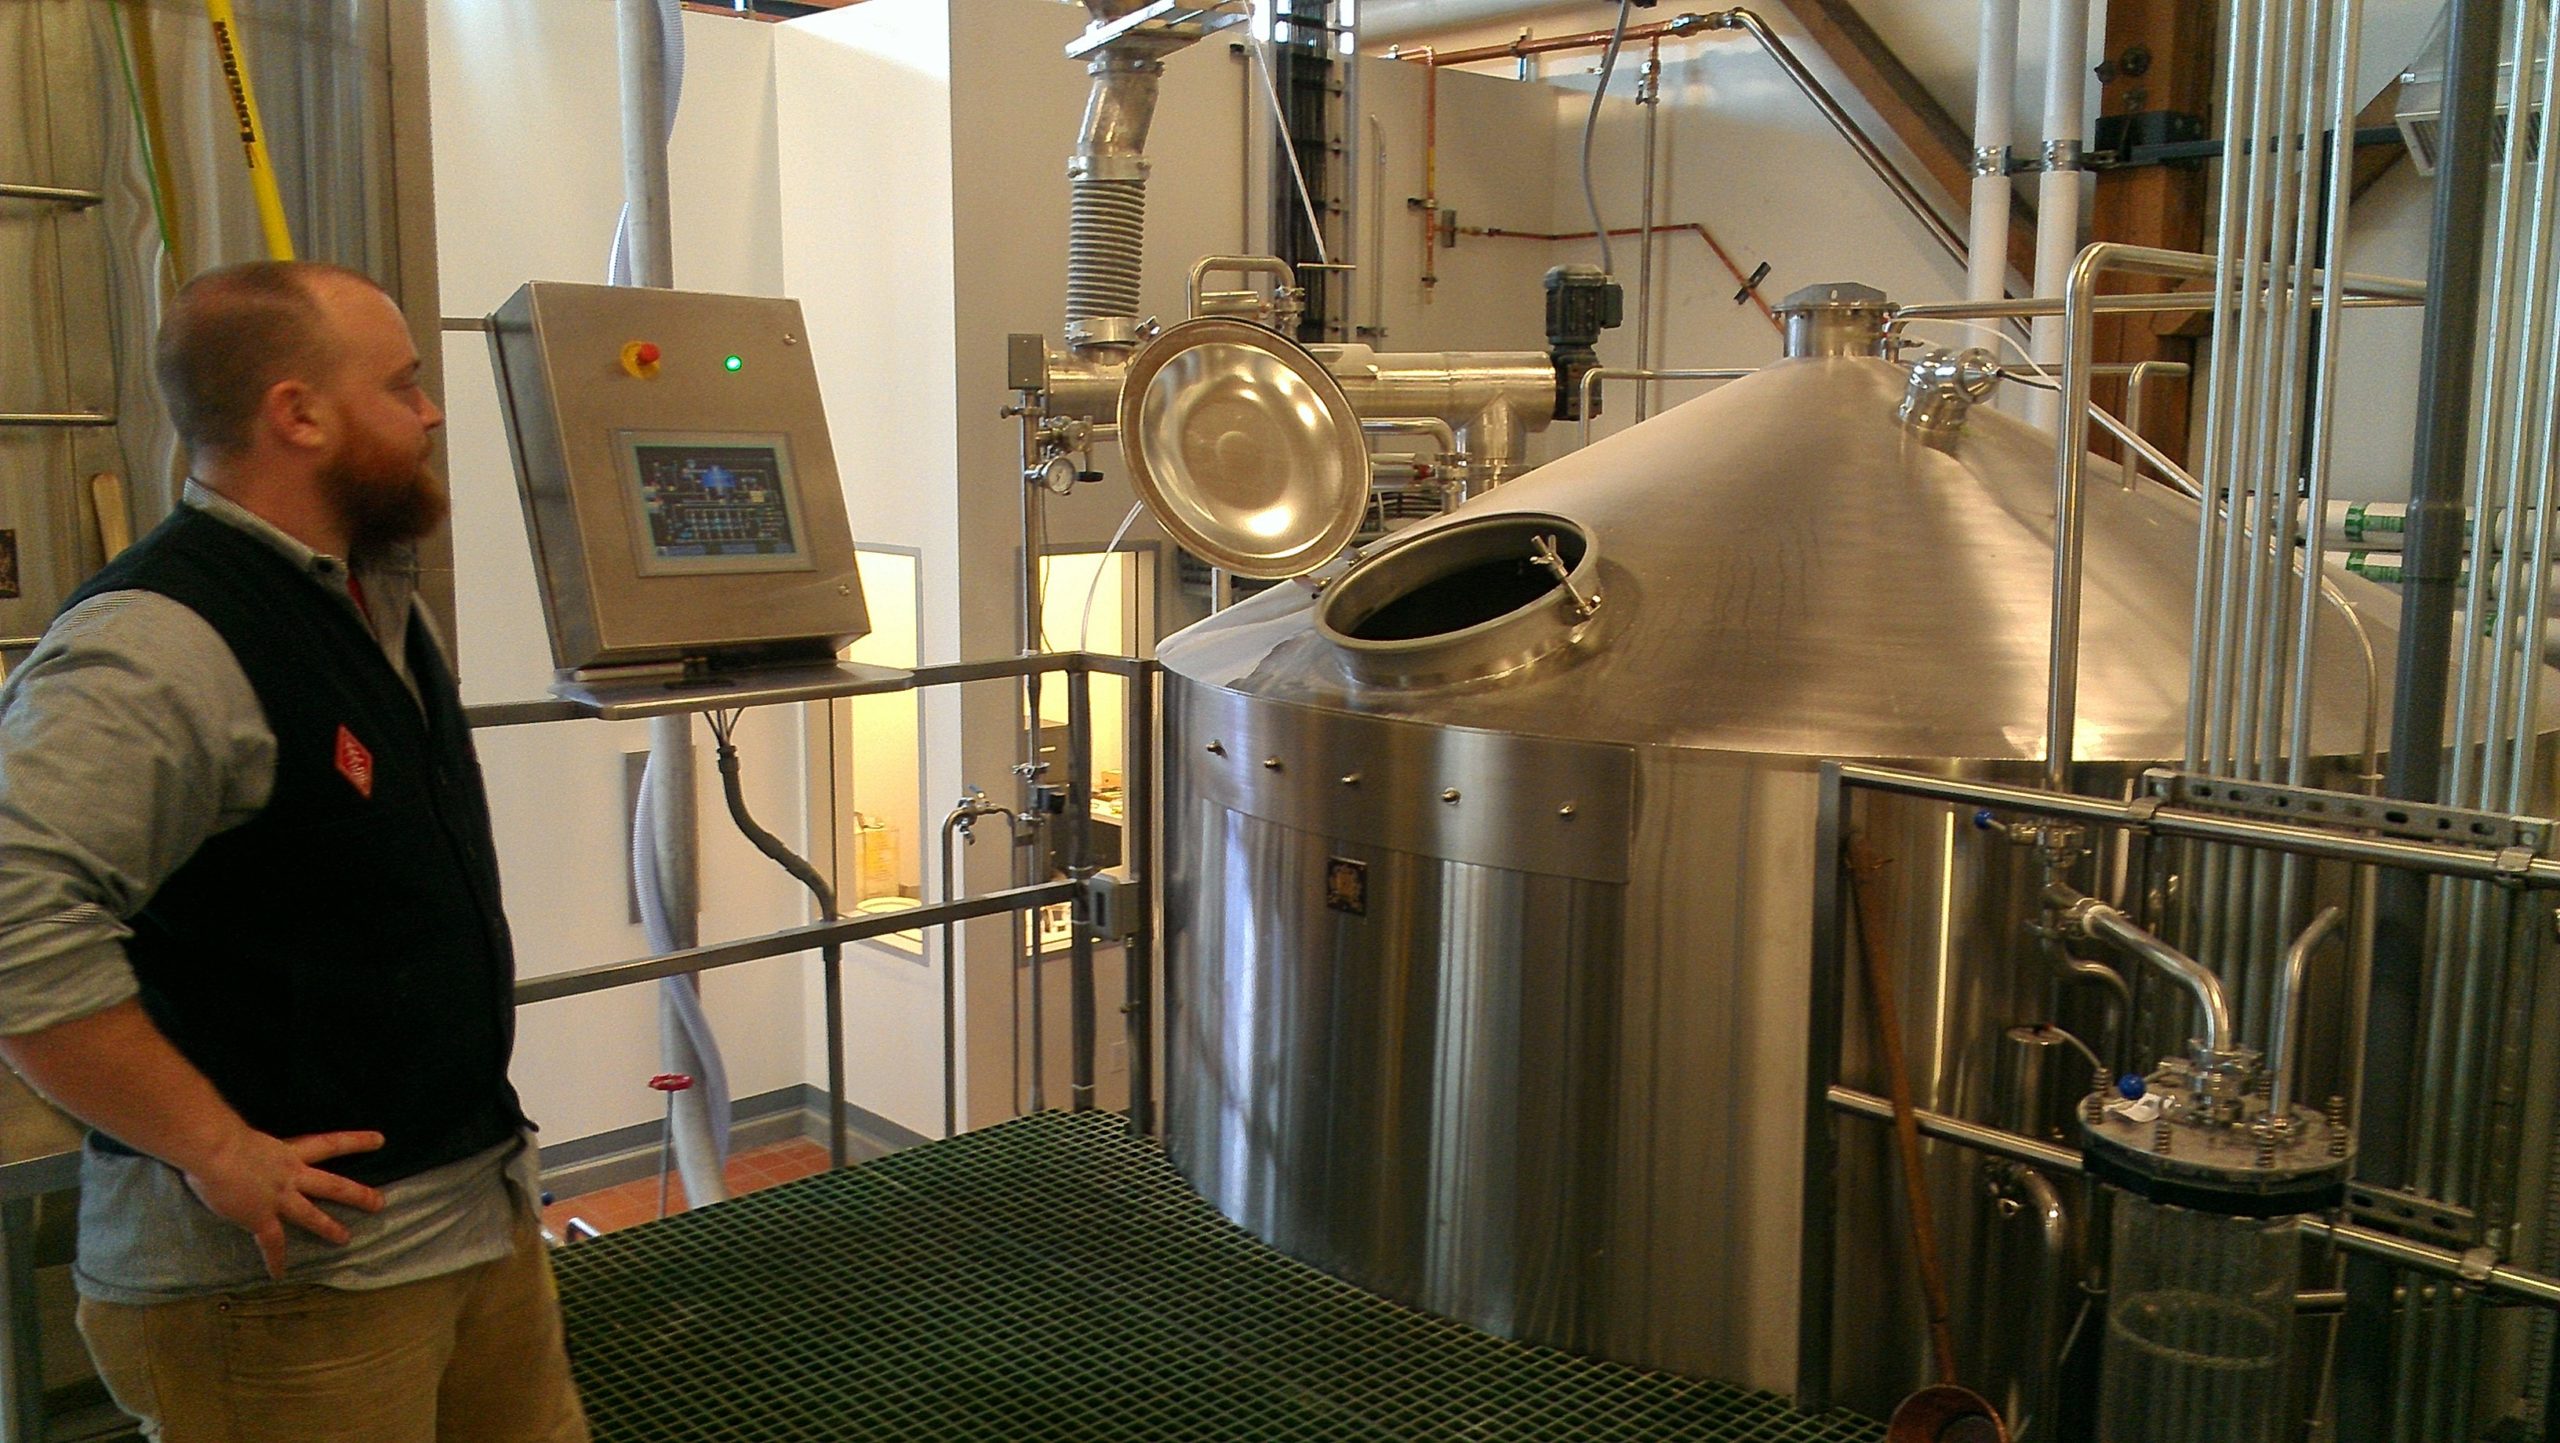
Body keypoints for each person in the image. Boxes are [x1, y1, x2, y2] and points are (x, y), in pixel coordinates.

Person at [0, 260, 588, 1442]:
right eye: (402, 385)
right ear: (298, 414)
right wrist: (217, 1148)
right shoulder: (164, 639)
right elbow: (13, 912)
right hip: (281, 1294)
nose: (429, 412)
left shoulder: (372, 599)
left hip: (467, 1222)